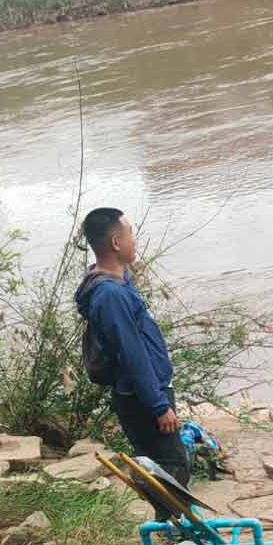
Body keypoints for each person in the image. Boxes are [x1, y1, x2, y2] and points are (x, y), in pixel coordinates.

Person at [75, 207, 191, 491]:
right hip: (142, 398)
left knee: (158, 463)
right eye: (130, 234)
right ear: (116, 243)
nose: (134, 240)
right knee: (171, 466)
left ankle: (169, 524)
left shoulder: (115, 280)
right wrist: (159, 406)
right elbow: (131, 353)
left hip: (145, 390)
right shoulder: (110, 294)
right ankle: (169, 528)